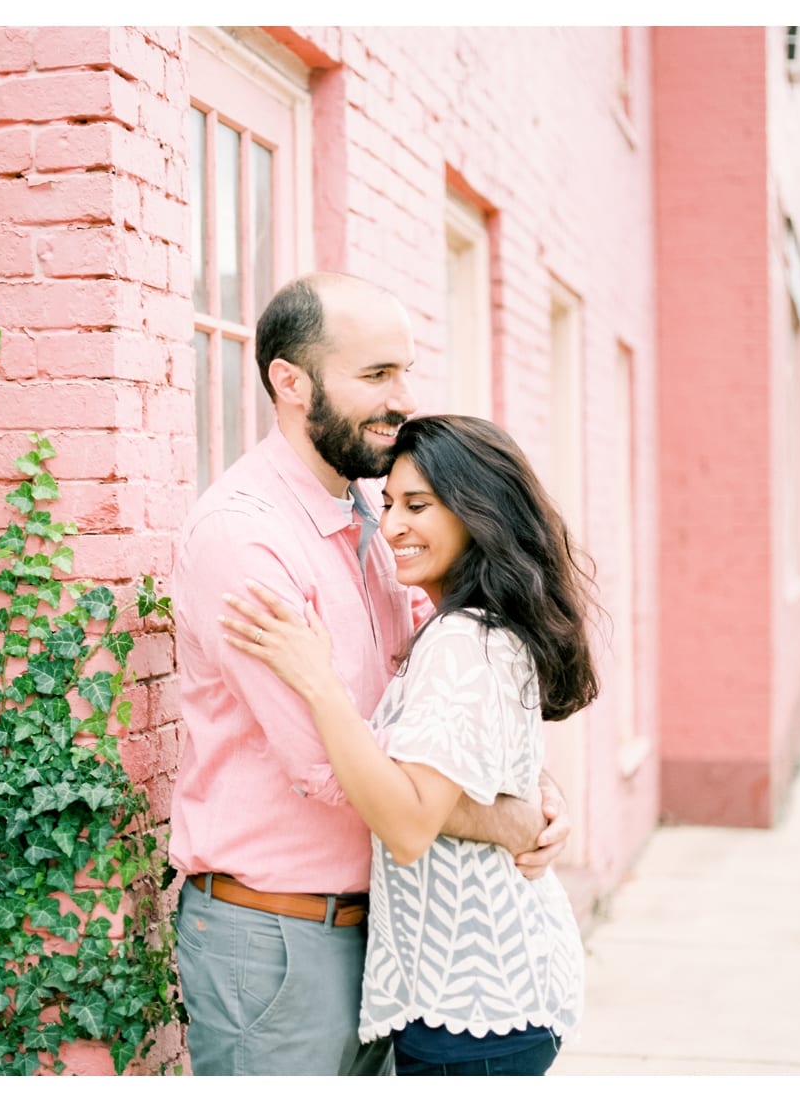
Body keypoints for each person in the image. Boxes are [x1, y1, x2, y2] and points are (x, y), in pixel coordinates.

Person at [169, 273, 570, 1076]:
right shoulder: (245, 540)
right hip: (280, 942)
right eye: (377, 376)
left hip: (385, 937)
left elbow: (428, 710)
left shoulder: (373, 519)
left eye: (406, 372)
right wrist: (508, 819)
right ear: (291, 381)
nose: (402, 399)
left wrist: (530, 780)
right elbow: (333, 769)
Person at [220, 413, 599, 1076]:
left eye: (417, 505)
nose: (392, 525)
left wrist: (318, 682)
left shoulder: (463, 639)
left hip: (474, 1009)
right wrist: (530, 807)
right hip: (487, 992)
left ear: (479, 512)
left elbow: (408, 824)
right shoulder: (471, 627)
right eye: (388, 503)